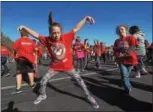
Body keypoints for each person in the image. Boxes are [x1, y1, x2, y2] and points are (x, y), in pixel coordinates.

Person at [17, 11, 99, 109]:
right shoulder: (47, 40)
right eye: (53, 33)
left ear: (61, 32)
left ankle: (88, 96)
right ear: (50, 33)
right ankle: (43, 95)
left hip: (68, 67)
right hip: (54, 68)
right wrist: (25, 27)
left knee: (80, 81)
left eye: (58, 33)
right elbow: (36, 34)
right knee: (43, 81)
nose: (56, 35)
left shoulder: (66, 37)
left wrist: (85, 18)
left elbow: (76, 28)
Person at [113, 25, 138, 94]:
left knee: (126, 75)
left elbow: (133, 47)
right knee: (124, 74)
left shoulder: (131, 37)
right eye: (119, 30)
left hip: (130, 59)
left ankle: (124, 83)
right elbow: (114, 49)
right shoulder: (117, 40)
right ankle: (127, 88)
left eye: (122, 29)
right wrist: (117, 52)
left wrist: (125, 53)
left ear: (126, 30)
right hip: (121, 60)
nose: (120, 31)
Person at [12, 29, 37, 94]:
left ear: (21, 34)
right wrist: (35, 59)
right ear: (28, 34)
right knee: (30, 71)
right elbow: (35, 49)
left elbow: (14, 49)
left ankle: (18, 88)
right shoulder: (31, 41)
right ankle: (32, 84)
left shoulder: (18, 40)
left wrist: (15, 56)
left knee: (19, 73)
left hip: (21, 59)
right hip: (29, 59)